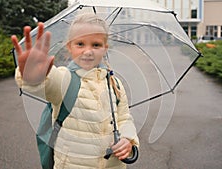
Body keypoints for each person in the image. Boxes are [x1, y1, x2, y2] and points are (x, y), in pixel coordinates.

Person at [11, 13, 139, 169]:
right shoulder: (66, 79)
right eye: (80, 44)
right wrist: (34, 75)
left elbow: (125, 118)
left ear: (105, 48)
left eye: (96, 45)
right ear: (69, 47)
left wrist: (128, 140)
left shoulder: (114, 83)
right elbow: (49, 83)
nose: (88, 51)